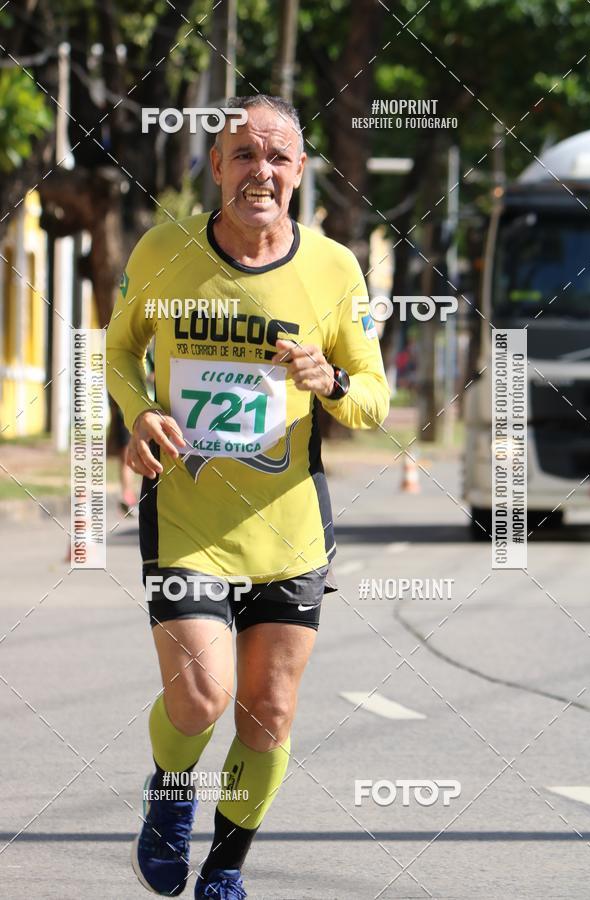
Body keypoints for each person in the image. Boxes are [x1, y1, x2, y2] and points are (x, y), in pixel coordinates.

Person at [106, 94, 389, 899]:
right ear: (216, 167)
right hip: (187, 516)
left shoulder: (333, 268)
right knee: (201, 698)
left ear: (299, 172)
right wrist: (139, 413)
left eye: (277, 157)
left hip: (289, 526)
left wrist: (330, 379)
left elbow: (372, 399)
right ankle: (168, 797)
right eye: (243, 154)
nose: (259, 170)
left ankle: (226, 865)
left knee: (266, 713)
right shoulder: (164, 250)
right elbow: (119, 350)